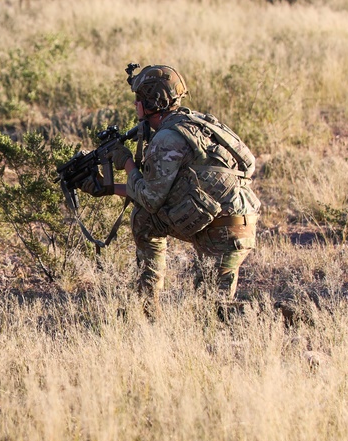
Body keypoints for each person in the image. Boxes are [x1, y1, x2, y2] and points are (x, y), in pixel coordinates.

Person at [82, 64, 260, 316]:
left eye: (138, 100)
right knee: (211, 305)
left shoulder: (167, 139)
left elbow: (150, 199)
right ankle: (146, 308)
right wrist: (109, 188)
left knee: (213, 312)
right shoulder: (198, 123)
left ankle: (270, 316)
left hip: (220, 234)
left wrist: (127, 163)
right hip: (236, 222)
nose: (135, 106)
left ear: (148, 102)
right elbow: (249, 163)